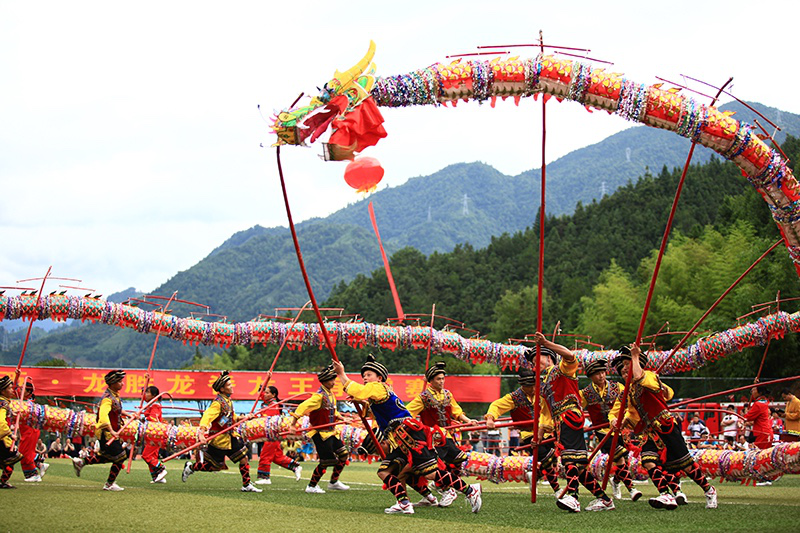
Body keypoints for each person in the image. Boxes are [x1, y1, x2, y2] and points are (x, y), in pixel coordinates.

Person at [332, 354, 482, 515]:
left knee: (431, 473)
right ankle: (404, 503)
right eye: (364, 376)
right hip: (401, 439)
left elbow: (360, 391)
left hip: (409, 435)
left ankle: (470, 490)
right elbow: (377, 412)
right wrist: (362, 402)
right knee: (384, 471)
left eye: (369, 375)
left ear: (379, 378)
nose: (365, 378)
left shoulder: (378, 387)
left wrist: (341, 374)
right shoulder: (378, 394)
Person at [610, 344, 717, 510]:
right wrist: (621, 421)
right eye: (622, 369)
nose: (624, 370)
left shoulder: (649, 376)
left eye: (627, 364)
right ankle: (665, 494)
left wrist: (635, 356)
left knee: (686, 465)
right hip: (649, 431)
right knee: (648, 461)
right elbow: (631, 413)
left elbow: (642, 379)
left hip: (665, 425)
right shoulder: (629, 391)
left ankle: (709, 490)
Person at [406, 361, 477, 508]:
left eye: (443, 378)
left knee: (458, 460)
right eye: (438, 379)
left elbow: (456, 411)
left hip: (447, 435)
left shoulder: (447, 394)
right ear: (431, 381)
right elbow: (408, 413)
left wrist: (468, 421)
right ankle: (447, 489)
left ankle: (446, 488)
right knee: (435, 466)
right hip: (432, 438)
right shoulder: (423, 398)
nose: (442, 381)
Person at [484, 368, 562, 497]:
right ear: (522, 385)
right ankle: (558, 490)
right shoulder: (514, 398)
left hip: (547, 432)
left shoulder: (542, 394)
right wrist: (490, 418)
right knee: (546, 459)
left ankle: (534, 475)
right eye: (529, 386)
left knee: (553, 458)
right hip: (529, 434)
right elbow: (496, 406)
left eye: (534, 385)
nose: (532, 389)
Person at [181, 370, 262, 493]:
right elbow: (207, 417)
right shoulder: (217, 403)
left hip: (230, 437)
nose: (232, 386)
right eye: (229, 385)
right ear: (222, 389)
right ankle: (191, 467)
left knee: (244, 458)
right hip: (218, 440)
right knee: (214, 467)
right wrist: (201, 432)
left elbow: (232, 418)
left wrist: (244, 417)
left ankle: (246, 484)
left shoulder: (228, 401)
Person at [579, 358, 642, 502]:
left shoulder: (618, 387)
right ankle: (632, 489)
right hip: (602, 432)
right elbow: (577, 409)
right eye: (597, 374)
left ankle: (616, 480)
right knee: (619, 456)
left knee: (622, 460)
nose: (601, 376)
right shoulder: (585, 393)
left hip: (620, 429)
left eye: (603, 372)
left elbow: (628, 403)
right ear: (590, 376)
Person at [291, 365, 349, 494]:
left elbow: (332, 410)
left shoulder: (330, 394)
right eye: (331, 380)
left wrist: (340, 417)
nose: (333, 382)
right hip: (320, 434)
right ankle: (311, 486)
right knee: (326, 461)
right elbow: (301, 407)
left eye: (334, 379)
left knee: (343, 454)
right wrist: (293, 424)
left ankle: (334, 482)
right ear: (324, 381)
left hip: (331, 432)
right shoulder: (318, 397)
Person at [71, 370, 130, 491]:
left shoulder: (114, 396)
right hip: (107, 435)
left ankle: (82, 462)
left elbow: (116, 410)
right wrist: (112, 431)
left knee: (108, 457)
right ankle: (109, 484)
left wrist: (128, 414)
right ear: (113, 383)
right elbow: (103, 416)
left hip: (110, 434)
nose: (122, 384)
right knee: (121, 457)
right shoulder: (107, 399)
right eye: (120, 381)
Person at [255, 384, 302, 485]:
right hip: (272, 435)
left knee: (265, 455)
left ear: (273, 395)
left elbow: (268, 421)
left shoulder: (273, 406)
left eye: (267, 393)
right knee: (277, 457)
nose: (264, 394)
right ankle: (295, 466)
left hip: (272, 435)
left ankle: (265, 477)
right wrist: (262, 387)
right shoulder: (268, 403)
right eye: (265, 392)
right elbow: (261, 395)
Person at [17, 380, 49, 482]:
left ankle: (33, 474)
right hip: (28, 431)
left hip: (30, 431)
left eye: (22, 389)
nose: (20, 391)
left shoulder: (29, 404)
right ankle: (40, 464)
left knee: (23, 453)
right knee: (26, 452)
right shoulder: (25, 401)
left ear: (28, 392)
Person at [0, 375, 24, 488]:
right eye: (9, 388)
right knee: (12, 458)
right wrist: (10, 434)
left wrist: (13, 414)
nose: (12, 390)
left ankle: (3, 482)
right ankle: (3, 482)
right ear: (3, 391)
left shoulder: (4, 402)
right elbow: (1, 422)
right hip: (2, 439)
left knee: (8, 461)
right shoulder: (3, 404)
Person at [142, 386, 168, 483]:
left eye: (147, 392)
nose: (145, 395)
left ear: (153, 395)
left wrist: (145, 419)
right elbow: (144, 398)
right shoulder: (151, 404)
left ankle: (161, 468)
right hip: (152, 435)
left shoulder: (155, 406)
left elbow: (154, 419)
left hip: (154, 435)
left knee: (146, 455)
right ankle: (156, 476)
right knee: (152, 456)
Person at [743, 385, 772, 450]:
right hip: (767, 432)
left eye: (754, 390)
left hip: (762, 433)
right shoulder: (765, 401)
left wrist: (746, 413)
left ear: (760, 392)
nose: (752, 392)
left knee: (760, 453)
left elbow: (748, 417)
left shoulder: (758, 404)